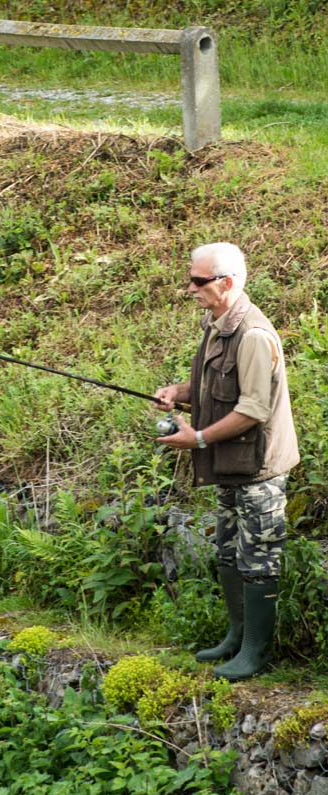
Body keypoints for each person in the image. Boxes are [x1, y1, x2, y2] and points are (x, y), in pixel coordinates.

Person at [154, 242, 299, 681]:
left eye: (198, 281)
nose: (190, 288)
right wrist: (179, 392)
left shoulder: (253, 336)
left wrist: (196, 438)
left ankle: (255, 652)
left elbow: (253, 409)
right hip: (231, 463)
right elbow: (215, 382)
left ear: (227, 282)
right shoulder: (217, 324)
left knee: (259, 561)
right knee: (228, 553)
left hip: (259, 471)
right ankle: (236, 637)